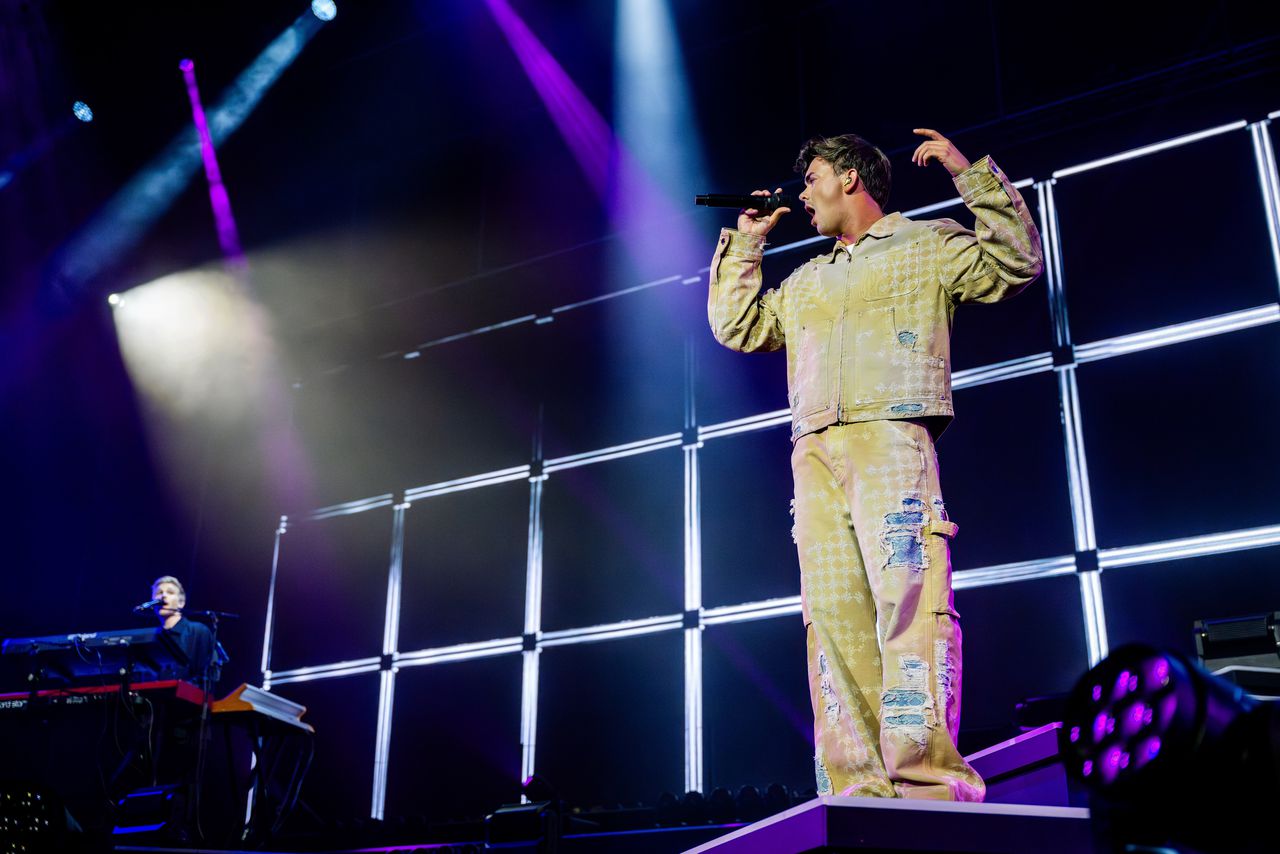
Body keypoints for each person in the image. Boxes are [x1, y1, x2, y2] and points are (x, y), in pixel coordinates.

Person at [708, 129, 1043, 801]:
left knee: (910, 605)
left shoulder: (926, 244)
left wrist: (968, 173)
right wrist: (746, 244)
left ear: (850, 178)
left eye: (812, 179)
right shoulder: (806, 281)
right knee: (833, 621)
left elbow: (1016, 260)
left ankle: (924, 778)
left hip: (890, 438)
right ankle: (856, 789)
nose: (803, 195)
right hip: (814, 454)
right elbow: (737, 326)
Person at [151, 575, 220, 684]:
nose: (163, 596)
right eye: (159, 592)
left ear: (181, 603)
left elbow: (206, 676)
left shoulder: (198, 631)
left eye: (170, 592)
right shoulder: (152, 637)